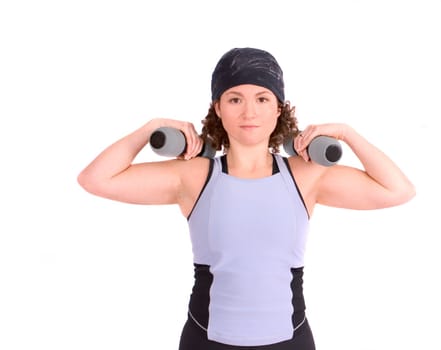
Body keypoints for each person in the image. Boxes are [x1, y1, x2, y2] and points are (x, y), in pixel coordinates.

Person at [77, 47, 415, 349]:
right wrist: (149, 127)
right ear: (218, 108)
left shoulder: (305, 176)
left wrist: (348, 134)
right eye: (235, 99)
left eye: (262, 99)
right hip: (206, 340)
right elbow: (95, 179)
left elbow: (397, 190)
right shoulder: (195, 176)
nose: (249, 112)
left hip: (290, 340)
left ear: (278, 108)